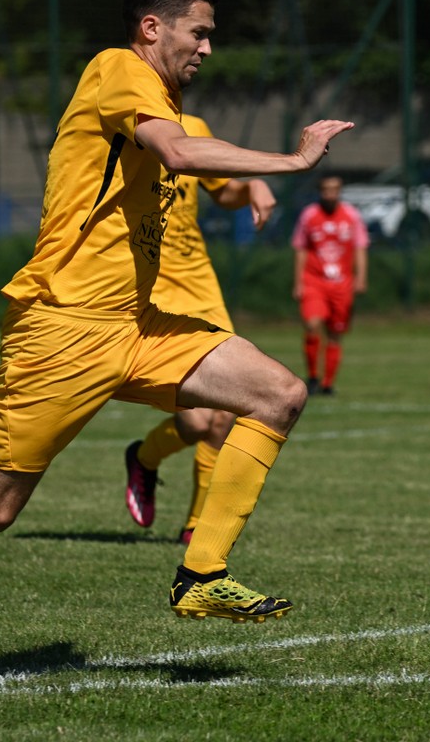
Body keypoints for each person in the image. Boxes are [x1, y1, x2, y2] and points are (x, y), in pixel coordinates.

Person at [0, 0, 353, 684]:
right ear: (152, 27)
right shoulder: (118, 69)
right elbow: (180, 152)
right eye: (199, 33)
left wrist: (244, 186)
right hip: (61, 330)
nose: (208, 48)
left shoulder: (163, 98)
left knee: (278, 393)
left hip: (139, 326)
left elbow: (194, 161)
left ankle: (201, 574)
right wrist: (293, 159)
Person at [123, 113, 276, 544]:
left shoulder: (194, 126)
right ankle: (144, 458)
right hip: (150, 286)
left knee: (226, 410)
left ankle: (194, 528)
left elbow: (222, 190)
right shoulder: (120, 118)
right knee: (196, 423)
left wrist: (251, 186)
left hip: (200, 286)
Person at [292, 175, 369, 396]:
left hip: (342, 284)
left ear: (340, 191)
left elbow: (360, 247)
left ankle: (327, 384)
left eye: (334, 189)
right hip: (314, 281)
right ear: (320, 191)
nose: (330, 194)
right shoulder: (309, 215)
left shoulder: (351, 215)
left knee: (335, 333)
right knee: (312, 324)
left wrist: (361, 277)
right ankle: (313, 377)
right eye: (326, 189)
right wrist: (298, 282)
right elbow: (301, 249)